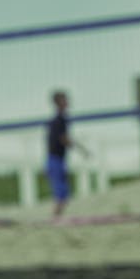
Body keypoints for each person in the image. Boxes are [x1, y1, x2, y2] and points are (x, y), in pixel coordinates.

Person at [47, 90, 88, 219]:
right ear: (58, 102)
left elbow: (62, 139)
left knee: (64, 194)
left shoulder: (60, 120)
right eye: (64, 100)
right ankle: (55, 218)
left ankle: (56, 217)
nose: (67, 102)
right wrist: (81, 149)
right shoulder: (60, 120)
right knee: (61, 195)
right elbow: (64, 139)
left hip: (57, 160)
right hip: (55, 160)